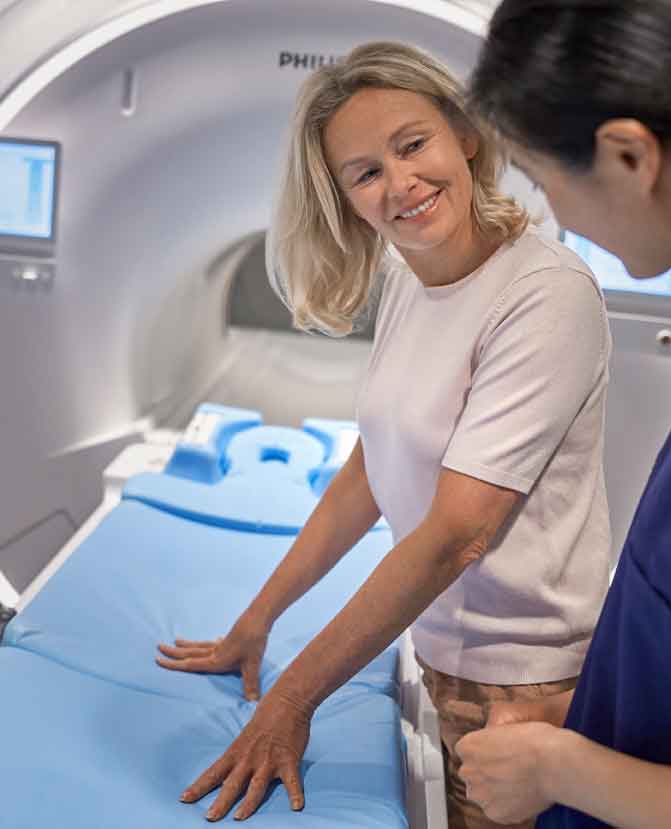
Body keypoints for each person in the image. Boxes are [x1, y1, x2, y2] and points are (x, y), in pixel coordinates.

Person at [156, 41, 612, 827]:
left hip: (522, 681)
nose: (400, 184)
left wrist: (292, 699)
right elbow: (371, 470)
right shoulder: (407, 270)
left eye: (413, 144)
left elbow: (456, 535)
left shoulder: (545, 296)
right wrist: (256, 620)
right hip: (433, 645)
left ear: (463, 135)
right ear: (343, 199)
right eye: (365, 172)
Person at [455, 2, 671, 827]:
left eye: (540, 175)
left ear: (629, 156)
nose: (552, 212)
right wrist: (589, 713)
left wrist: (559, 769)